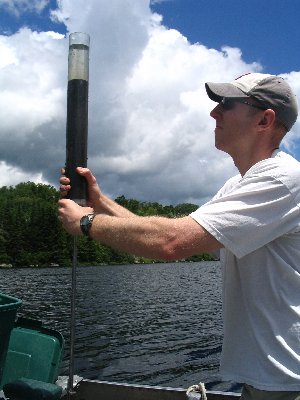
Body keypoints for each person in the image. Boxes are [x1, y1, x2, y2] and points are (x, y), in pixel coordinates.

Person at [59, 72, 300, 400]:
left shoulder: (283, 180)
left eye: (226, 104)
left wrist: (87, 222)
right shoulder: (240, 186)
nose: (214, 113)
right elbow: (168, 234)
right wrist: (101, 205)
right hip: (267, 383)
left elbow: (170, 242)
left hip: (287, 385)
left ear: (265, 119)